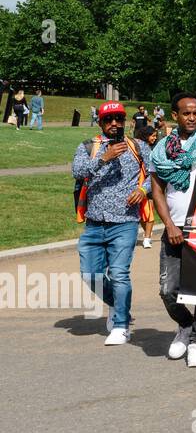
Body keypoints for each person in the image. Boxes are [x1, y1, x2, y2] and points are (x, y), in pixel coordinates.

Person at [71, 101, 154, 345]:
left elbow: (154, 175)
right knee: (90, 276)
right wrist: (103, 158)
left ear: (126, 121)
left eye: (118, 118)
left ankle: (121, 325)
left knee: (119, 274)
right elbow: (77, 171)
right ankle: (119, 308)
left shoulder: (138, 146)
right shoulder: (89, 146)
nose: (114, 123)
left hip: (125, 222)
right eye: (109, 119)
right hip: (94, 223)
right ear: (101, 123)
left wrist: (143, 189)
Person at [150, 93, 196, 368]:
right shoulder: (161, 150)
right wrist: (170, 225)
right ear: (174, 115)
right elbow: (157, 191)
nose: (192, 118)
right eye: (186, 113)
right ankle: (185, 325)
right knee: (167, 290)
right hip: (174, 229)